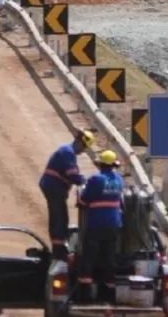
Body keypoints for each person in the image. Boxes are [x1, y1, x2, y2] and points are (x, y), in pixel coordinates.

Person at [77, 149, 125, 304]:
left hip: (96, 224)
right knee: (109, 257)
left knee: (89, 256)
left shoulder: (96, 180)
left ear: (101, 165)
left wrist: (80, 197)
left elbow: (83, 201)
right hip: (114, 224)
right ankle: (109, 292)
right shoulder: (119, 179)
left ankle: (85, 292)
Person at [38, 128, 95, 259]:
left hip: (54, 188)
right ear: (80, 142)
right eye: (84, 147)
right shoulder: (67, 152)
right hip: (54, 187)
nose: (83, 151)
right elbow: (73, 174)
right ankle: (58, 250)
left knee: (60, 217)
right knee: (59, 218)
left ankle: (59, 246)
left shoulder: (68, 152)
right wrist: (86, 181)